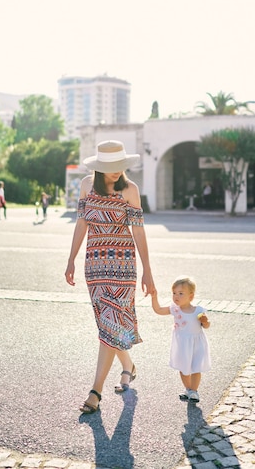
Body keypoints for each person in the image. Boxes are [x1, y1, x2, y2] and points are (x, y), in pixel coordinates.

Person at [65, 140, 155, 414]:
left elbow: (138, 231)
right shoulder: (86, 186)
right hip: (94, 264)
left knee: (110, 323)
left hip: (123, 265)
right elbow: (82, 223)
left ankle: (95, 392)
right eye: (110, 167)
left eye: (120, 166)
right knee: (108, 325)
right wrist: (71, 258)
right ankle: (128, 366)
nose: (117, 171)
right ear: (100, 167)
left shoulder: (130, 190)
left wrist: (148, 271)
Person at [151, 275, 211, 403]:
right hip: (182, 344)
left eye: (180, 293)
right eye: (174, 293)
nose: (176, 296)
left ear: (191, 296)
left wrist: (205, 321)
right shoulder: (174, 309)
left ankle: (194, 391)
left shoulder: (198, 310)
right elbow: (158, 310)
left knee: (196, 368)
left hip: (196, 344)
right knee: (183, 368)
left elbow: (206, 325)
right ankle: (188, 389)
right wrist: (154, 297)